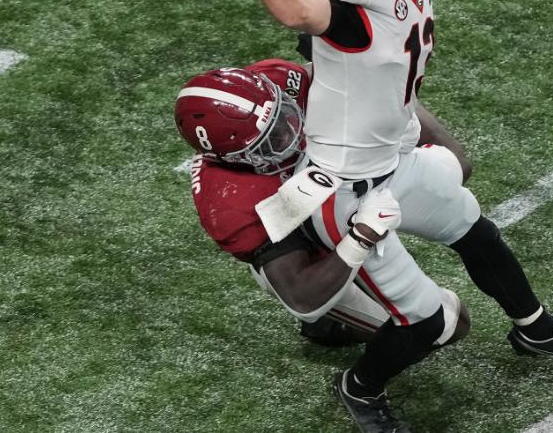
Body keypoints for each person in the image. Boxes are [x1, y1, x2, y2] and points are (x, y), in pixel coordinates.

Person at [181, 0, 553, 433]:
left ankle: (535, 330)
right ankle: (360, 385)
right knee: (429, 322)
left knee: (473, 224)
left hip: (392, 158)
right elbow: (294, 12)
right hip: (346, 188)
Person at [174, 59, 470, 351]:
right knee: (445, 325)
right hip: (304, 249)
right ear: (232, 159)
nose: (289, 134)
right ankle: (340, 337)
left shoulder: (278, 78)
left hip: (345, 191)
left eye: (283, 115)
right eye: (269, 141)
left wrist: (428, 138)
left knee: (448, 168)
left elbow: (360, 78)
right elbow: (301, 296)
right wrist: (360, 239)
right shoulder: (230, 204)